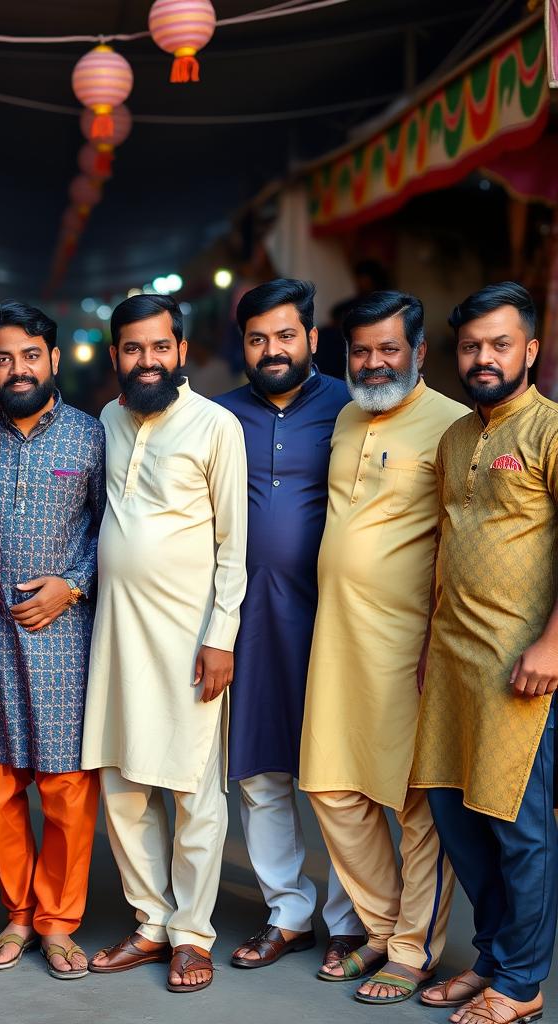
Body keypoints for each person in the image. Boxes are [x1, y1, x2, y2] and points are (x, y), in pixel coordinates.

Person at [299, 291, 465, 1004]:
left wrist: (440, 635)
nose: (372, 364)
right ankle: (382, 925)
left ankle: (410, 948)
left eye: (388, 349)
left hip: (412, 643)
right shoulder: (344, 415)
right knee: (330, 784)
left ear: (419, 352)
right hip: (336, 638)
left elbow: (463, 543)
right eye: (360, 351)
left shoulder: (454, 427)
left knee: (418, 802)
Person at [81, 293, 248, 994]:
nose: (146, 361)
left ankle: (191, 934)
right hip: (116, 636)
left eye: (159, 348)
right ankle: (149, 922)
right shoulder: (107, 422)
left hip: (190, 638)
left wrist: (222, 635)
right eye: (132, 348)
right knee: (121, 783)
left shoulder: (216, 426)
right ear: (115, 354)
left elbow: (234, 545)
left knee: (192, 791)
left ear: (180, 352)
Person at [412, 283, 558, 1024]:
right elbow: (445, 548)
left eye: (500, 344)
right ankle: (495, 958)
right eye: (472, 346)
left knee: (517, 827)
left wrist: (554, 644)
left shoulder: (550, 431)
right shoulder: (458, 439)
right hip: (453, 662)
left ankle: (523, 982)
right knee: (455, 814)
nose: (484, 357)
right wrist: (429, 648)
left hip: (522, 669)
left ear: (530, 349)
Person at [214, 279, 363, 971]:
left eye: (284, 335)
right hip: (246, 622)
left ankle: (349, 916)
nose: (271, 350)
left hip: (333, 621)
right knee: (259, 770)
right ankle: (289, 911)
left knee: (336, 771)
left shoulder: (353, 406)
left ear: (310, 338)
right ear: (241, 344)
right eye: (256, 338)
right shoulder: (217, 417)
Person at [0, 302, 105, 980]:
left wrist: (74, 584)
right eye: (3, 357)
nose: (17, 369)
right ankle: (17, 913)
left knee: (67, 787)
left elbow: (116, 529)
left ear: (54, 359)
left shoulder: (92, 437)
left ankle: (57, 922)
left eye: (30, 355)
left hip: (66, 637)